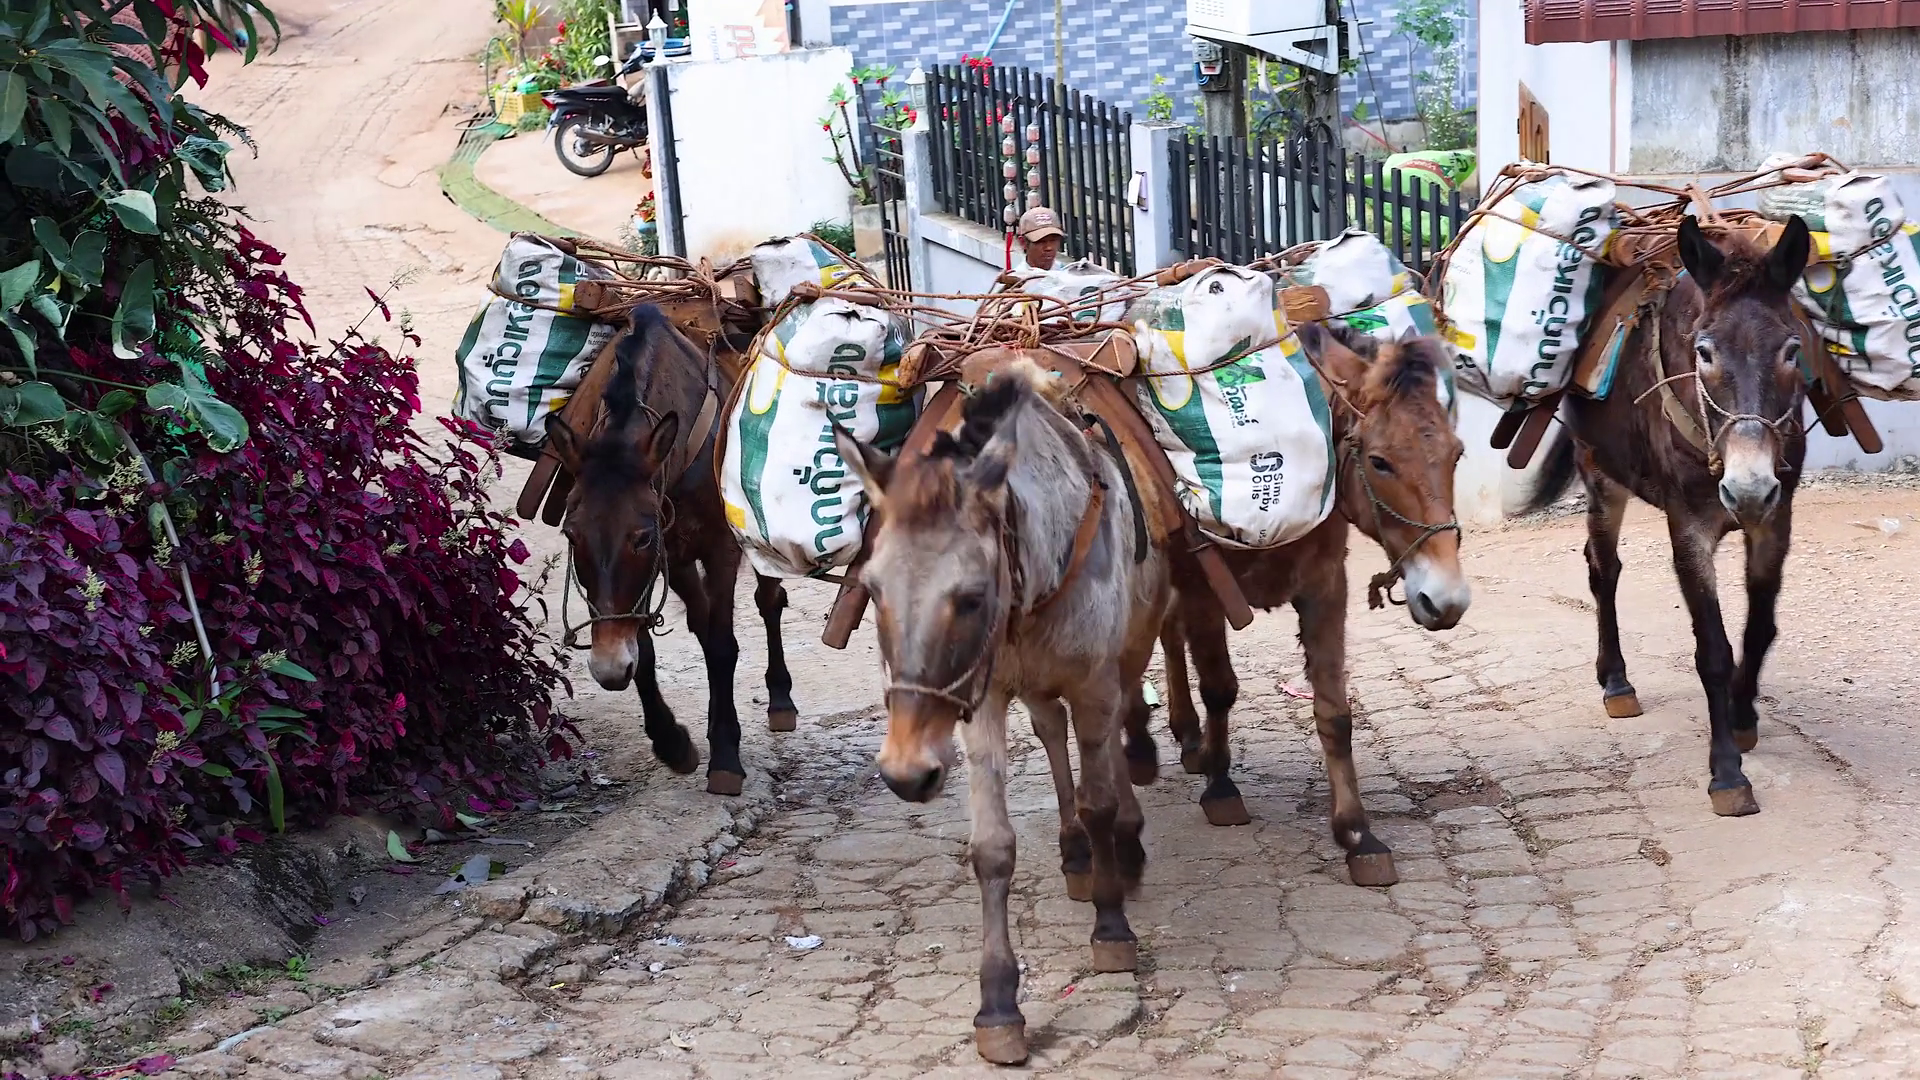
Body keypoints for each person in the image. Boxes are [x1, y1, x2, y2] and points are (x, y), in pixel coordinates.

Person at [1016, 206, 1066, 271]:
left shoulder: (1069, 273)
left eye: (1053, 240)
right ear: (1023, 242)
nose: (1049, 248)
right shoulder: (1016, 275)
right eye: (1041, 241)